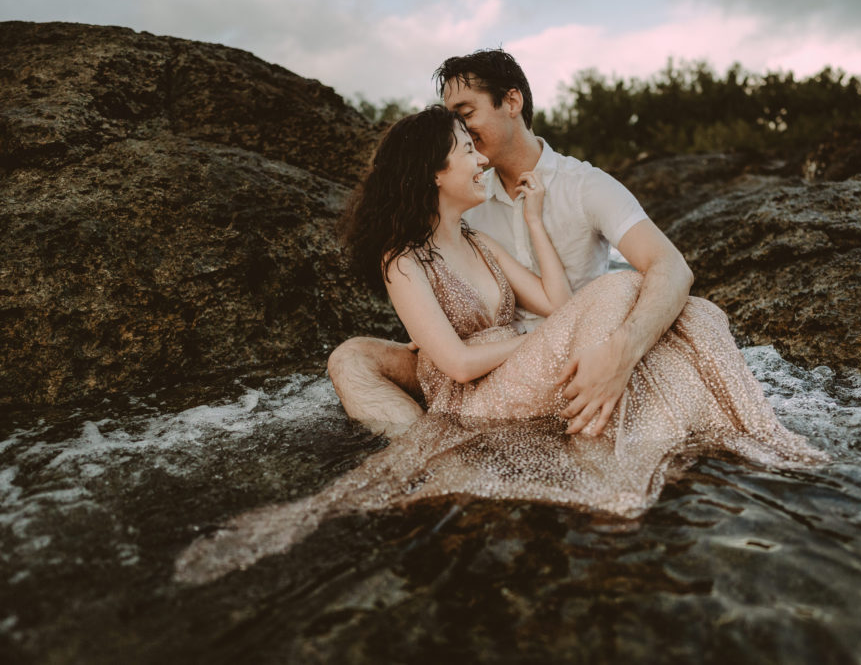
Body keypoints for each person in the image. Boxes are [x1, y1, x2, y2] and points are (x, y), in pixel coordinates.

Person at [173, 106, 826, 585]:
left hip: (519, 370)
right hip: (476, 394)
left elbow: (556, 301)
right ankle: (611, 479)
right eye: (466, 149)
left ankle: (759, 437)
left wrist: (535, 221)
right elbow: (453, 361)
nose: (481, 157)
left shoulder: (482, 242)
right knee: (621, 289)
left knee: (699, 310)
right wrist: (534, 339)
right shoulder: (405, 259)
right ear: (433, 171)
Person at [328, 49, 693, 439]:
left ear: (512, 101)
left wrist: (623, 351)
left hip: (574, 345)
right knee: (352, 357)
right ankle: (419, 447)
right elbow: (431, 263)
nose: (462, 131)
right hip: (480, 364)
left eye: (465, 114)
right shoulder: (464, 198)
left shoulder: (586, 186)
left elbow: (669, 267)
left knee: (639, 298)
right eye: (456, 127)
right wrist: (429, 329)